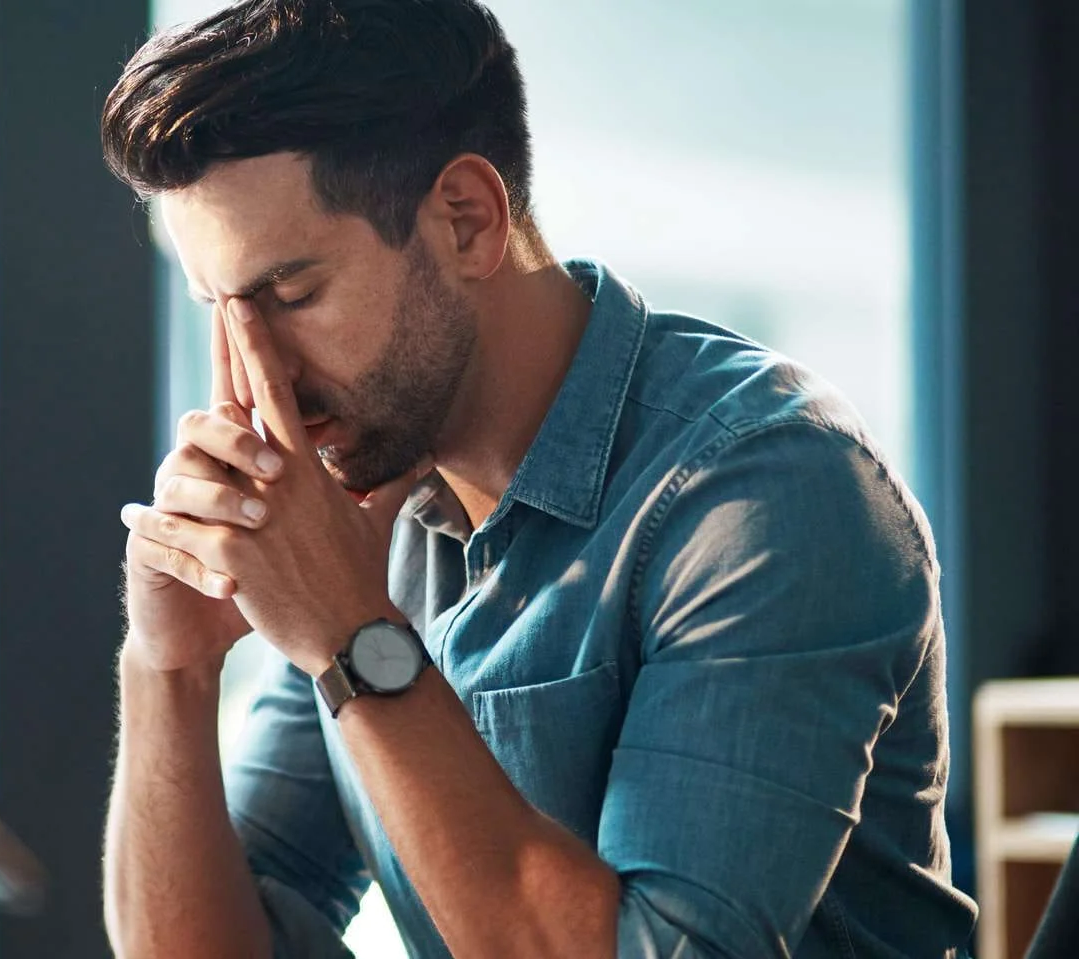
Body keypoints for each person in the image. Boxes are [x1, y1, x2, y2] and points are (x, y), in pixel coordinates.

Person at [98, 1, 979, 956]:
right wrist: (170, 667)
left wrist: (356, 640)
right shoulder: (376, 514)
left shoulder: (770, 491)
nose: (255, 369)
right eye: (221, 310)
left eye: (291, 294)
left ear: (466, 220)